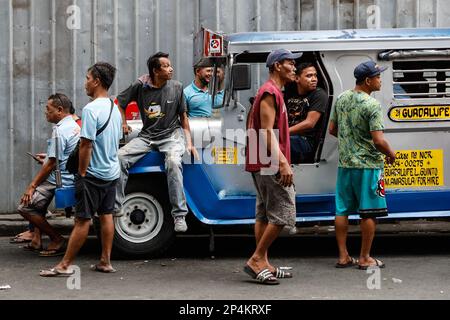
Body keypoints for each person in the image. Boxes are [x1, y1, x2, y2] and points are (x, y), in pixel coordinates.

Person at [40, 62, 122, 276]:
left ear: (96, 81)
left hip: (92, 174)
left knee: (82, 219)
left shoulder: (91, 109)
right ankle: (105, 261)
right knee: (106, 215)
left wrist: (82, 173)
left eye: (87, 78)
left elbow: (86, 144)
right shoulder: (115, 107)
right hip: (112, 171)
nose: (85, 82)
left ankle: (64, 265)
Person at [115, 52, 198, 233]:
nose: (171, 69)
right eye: (166, 66)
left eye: (170, 65)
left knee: (173, 162)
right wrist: (123, 122)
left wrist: (189, 143)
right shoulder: (140, 86)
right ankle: (117, 206)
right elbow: (119, 103)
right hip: (146, 136)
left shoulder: (177, 87)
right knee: (120, 158)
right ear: (155, 71)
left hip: (171, 135)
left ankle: (179, 215)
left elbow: (183, 117)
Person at [329, 60, 396, 270]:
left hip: (345, 165)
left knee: (342, 211)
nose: (380, 81)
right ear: (367, 81)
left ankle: (343, 256)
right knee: (369, 212)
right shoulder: (372, 105)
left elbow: (332, 129)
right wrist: (391, 154)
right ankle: (365, 257)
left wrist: (349, 141)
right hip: (368, 166)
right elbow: (378, 140)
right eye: (378, 77)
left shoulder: (341, 98)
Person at [244, 49, 302, 285]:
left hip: (263, 159)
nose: (294, 67)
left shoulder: (273, 92)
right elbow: (267, 132)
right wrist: (283, 162)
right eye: (290, 63)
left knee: (265, 213)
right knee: (284, 213)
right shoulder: (269, 92)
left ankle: (264, 263)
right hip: (269, 160)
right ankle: (256, 259)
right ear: (277, 66)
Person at [18, 93, 80, 256]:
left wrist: (32, 186)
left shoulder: (59, 131)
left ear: (60, 110)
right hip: (69, 174)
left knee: (25, 207)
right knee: (38, 204)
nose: (45, 112)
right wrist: (47, 158)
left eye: (48, 109)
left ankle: (57, 239)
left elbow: (52, 164)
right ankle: (36, 240)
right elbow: (64, 155)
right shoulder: (74, 126)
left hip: (61, 179)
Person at [285, 63, 328, 163]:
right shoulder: (290, 93)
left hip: (305, 141)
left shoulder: (319, 94)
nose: (314, 79)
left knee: (277, 142)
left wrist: (283, 133)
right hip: (290, 136)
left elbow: (309, 123)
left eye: (315, 75)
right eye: (309, 76)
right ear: (297, 79)